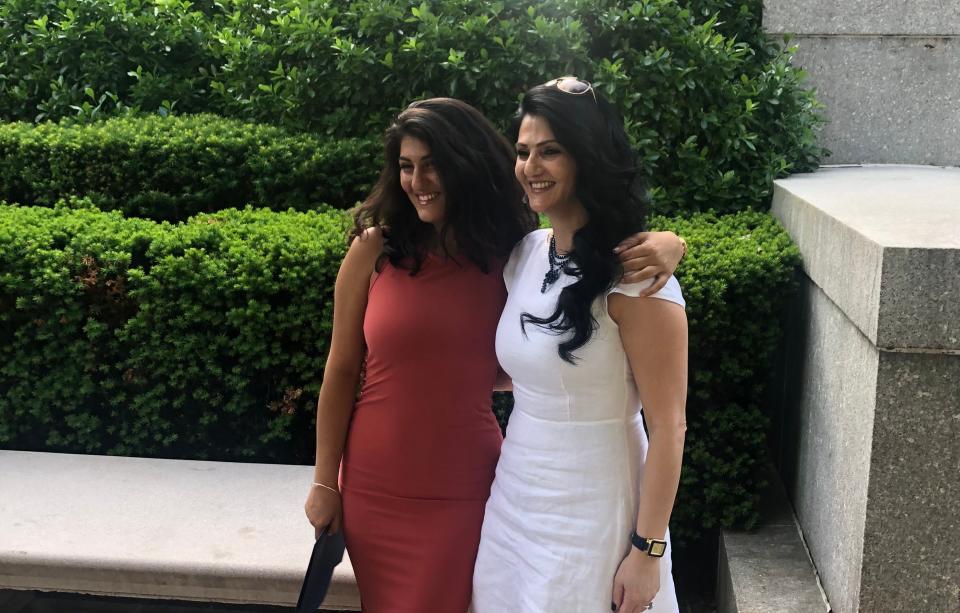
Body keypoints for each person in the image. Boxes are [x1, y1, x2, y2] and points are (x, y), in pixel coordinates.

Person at [303, 97, 686, 613]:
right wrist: (326, 479)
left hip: (487, 489)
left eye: (433, 163)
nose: (418, 180)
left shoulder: (508, 253)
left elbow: (663, 416)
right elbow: (344, 367)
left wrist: (673, 243)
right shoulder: (398, 250)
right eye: (407, 166)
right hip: (411, 486)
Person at [472, 78, 689, 613]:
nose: (530, 167)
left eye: (550, 151)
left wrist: (647, 551)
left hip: (594, 505)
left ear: (587, 158)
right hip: (515, 493)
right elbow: (525, 371)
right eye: (523, 152)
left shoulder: (637, 279)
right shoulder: (524, 253)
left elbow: (669, 427)